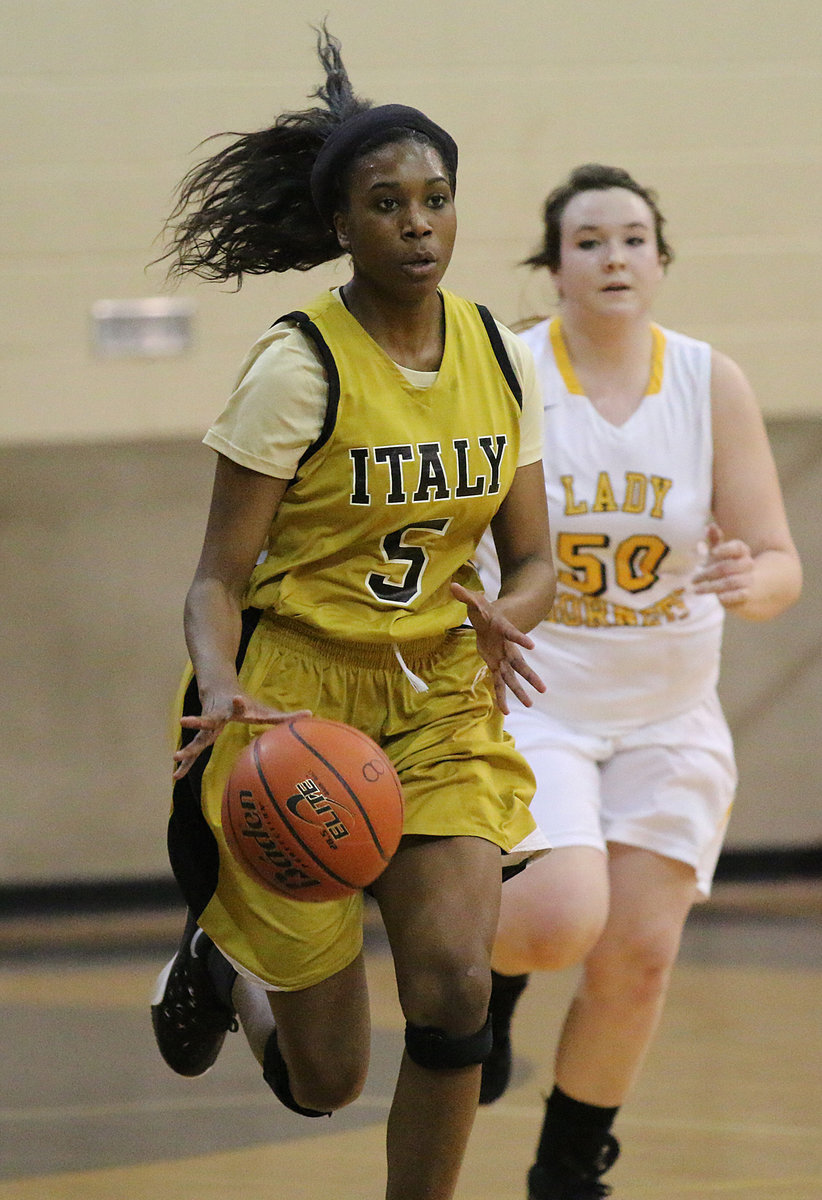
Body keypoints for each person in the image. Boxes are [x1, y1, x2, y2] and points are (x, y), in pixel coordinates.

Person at [148, 27, 556, 1200]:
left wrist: (505, 612)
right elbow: (215, 580)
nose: (418, 223)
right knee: (325, 1079)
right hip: (294, 708)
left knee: (457, 987)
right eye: (387, 203)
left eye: (436, 199)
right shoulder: (297, 370)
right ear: (343, 227)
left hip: (435, 700)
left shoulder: (497, 351)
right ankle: (228, 969)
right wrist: (220, 688)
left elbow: (535, 562)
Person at [475, 163, 802, 1199]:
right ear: (555, 266)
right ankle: (486, 983)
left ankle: (570, 1166)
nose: (614, 256)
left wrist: (752, 580)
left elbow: (781, 563)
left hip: (670, 710)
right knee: (555, 921)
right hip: (542, 699)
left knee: (640, 958)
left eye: (632, 238)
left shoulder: (712, 380)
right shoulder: (512, 373)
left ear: (659, 262)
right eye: (589, 241)